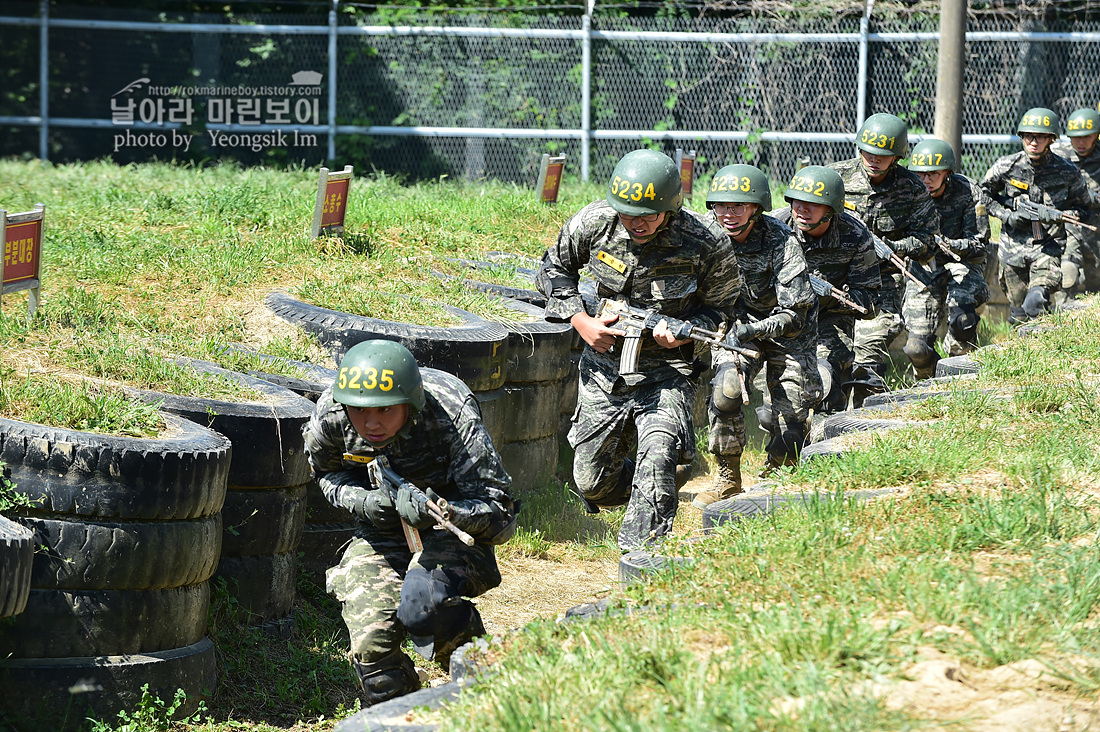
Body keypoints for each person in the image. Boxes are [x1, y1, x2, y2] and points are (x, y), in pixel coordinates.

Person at [535, 148, 740, 551]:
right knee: (591, 482)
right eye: (628, 213)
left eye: (647, 215)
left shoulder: (704, 241)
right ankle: (657, 484)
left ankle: (641, 554)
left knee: (658, 451)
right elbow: (552, 269)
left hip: (669, 371)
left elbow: (724, 311)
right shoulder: (595, 222)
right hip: (604, 368)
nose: (636, 223)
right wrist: (582, 322)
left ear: (669, 208)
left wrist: (684, 333)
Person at [304, 339, 517, 705]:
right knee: (371, 643)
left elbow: (500, 512)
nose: (371, 423)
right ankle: (400, 714)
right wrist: (366, 502)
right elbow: (325, 474)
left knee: (424, 605)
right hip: (381, 531)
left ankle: (490, 698)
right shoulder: (332, 415)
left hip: (450, 529)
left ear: (410, 404)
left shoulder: (452, 415)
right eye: (359, 410)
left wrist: (445, 511)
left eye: (386, 410)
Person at [692, 163, 819, 509]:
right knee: (726, 390)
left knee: (790, 424)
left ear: (756, 208)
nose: (728, 215)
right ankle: (728, 478)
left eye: (739, 207)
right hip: (732, 327)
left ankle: (780, 470)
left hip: (787, 332)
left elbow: (795, 314)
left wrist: (754, 328)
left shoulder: (782, 241)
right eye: (722, 206)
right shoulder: (704, 235)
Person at [829, 112, 938, 387]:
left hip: (883, 283)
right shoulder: (834, 178)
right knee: (830, 357)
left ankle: (863, 417)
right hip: (834, 278)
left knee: (868, 354)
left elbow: (929, 240)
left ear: (897, 156)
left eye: (883, 153)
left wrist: (895, 247)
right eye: (868, 151)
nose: (874, 159)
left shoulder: (912, 188)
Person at [773, 165, 880, 414]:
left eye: (813, 204)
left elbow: (870, 301)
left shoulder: (854, 235)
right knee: (775, 415)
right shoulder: (775, 228)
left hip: (829, 320)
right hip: (779, 318)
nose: (802, 209)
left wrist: (833, 297)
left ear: (831, 209)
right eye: (797, 201)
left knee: (826, 384)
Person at [981, 107, 1095, 322]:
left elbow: (1084, 209)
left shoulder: (1067, 171)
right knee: (1018, 315)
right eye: (1028, 136)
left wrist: (1058, 215)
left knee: (1035, 302)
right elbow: (983, 195)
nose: (1033, 142)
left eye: (1040, 137)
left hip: (1048, 247)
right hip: (1012, 249)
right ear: (1021, 137)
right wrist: (1006, 215)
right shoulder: (1007, 166)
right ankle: (1024, 351)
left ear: (1051, 139)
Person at [906, 138, 991, 365]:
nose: (926, 180)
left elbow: (980, 245)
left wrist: (952, 245)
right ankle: (926, 378)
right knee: (916, 349)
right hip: (922, 266)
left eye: (933, 174)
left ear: (947, 173)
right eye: (921, 174)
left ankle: (960, 373)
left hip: (961, 262)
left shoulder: (969, 191)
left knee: (963, 322)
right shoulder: (907, 192)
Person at [1051, 106, 1100, 297]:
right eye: (1075, 137)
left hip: (1095, 224)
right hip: (1066, 223)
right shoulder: (1056, 155)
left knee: (1095, 281)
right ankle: (1063, 314)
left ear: (1097, 135)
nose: (1080, 142)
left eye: (1086, 137)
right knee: (1067, 270)